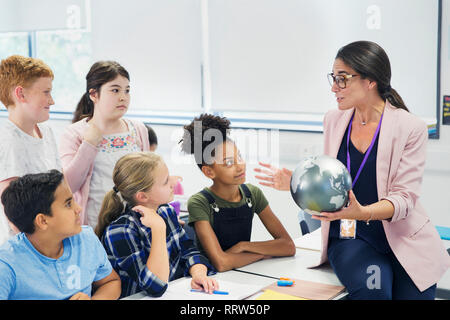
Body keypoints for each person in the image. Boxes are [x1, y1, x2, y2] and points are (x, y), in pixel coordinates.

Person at [254, 40, 450, 299]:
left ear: (371, 81)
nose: (334, 88)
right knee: (375, 290)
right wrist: (298, 180)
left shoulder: (410, 128)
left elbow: (405, 199)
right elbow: (331, 176)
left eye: (343, 79)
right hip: (351, 236)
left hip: (403, 237)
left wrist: (363, 212)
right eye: (333, 79)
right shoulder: (334, 119)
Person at [180, 114, 295, 273]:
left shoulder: (252, 194)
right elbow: (221, 263)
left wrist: (244, 247)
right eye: (228, 163)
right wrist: (261, 254)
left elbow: (288, 246)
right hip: (211, 280)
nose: (240, 166)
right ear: (209, 171)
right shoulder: (199, 202)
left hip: (243, 272)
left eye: (239, 157)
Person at [95, 152, 217, 298]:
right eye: (166, 181)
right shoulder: (120, 231)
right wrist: (158, 229)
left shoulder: (166, 211)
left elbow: (188, 251)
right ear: (143, 196)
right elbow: (155, 287)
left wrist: (198, 273)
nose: (173, 182)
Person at [0, 170, 121, 300]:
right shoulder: (7, 264)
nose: (78, 209)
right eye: (68, 204)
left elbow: (111, 282)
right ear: (43, 221)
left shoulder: (87, 239)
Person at [59, 61, 150, 229]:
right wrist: (89, 144)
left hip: (136, 225)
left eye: (127, 90)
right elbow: (69, 186)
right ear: (94, 94)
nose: (123, 97)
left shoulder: (138, 129)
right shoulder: (74, 133)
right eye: (115, 90)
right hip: (94, 226)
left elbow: (150, 179)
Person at [0, 55, 61, 246]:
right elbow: (14, 213)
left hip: (52, 234)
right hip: (27, 246)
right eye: (46, 92)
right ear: (20, 94)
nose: (51, 101)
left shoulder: (46, 132)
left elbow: (60, 184)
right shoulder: (7, 139)